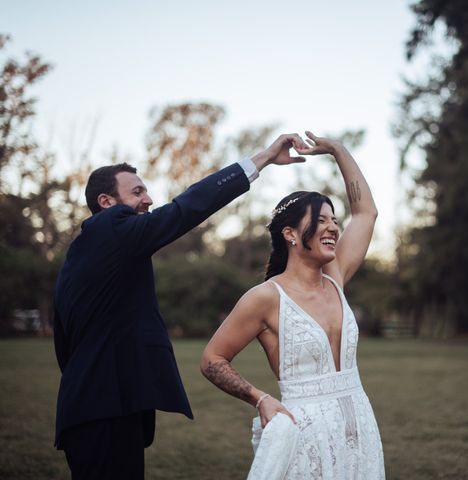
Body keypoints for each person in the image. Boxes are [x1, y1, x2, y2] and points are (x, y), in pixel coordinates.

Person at [53, 133, 307, 479]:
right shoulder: (111, 230)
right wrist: (260, 159)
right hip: (104, 409)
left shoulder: (82, 253)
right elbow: (187, 207)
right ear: (106, 202)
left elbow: (64, 341)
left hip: (91, 405)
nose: (149, 199)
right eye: (137, 192)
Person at [201, 131, 385, 479]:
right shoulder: (266, 297)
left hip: (360, 426)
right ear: (290, 234)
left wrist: (336, 149)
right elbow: (212, 359)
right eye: (321, 219)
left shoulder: (335, 278)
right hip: (305, 435)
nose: (332, 227)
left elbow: (365, 213)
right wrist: (259, 398)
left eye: (333, 219)